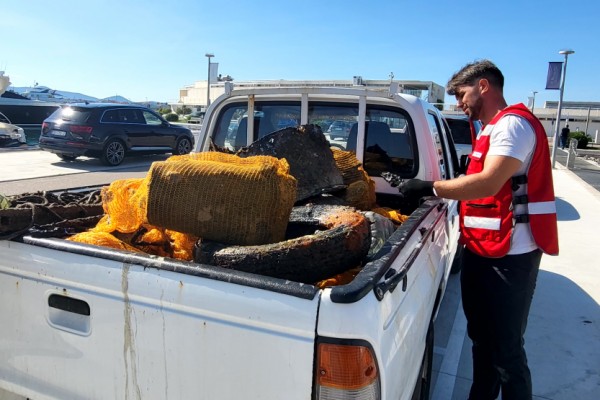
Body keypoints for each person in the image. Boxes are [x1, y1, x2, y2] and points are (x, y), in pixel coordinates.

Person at [392, 59, 559, 400]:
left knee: (507, 353)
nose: (458, 103)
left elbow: (488, 182)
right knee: (483, 343)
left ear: (484, 86)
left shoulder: (512, 125)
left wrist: (431, 187)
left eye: (461, 93)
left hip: (510, 258)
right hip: (484, 251)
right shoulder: (489, 128)